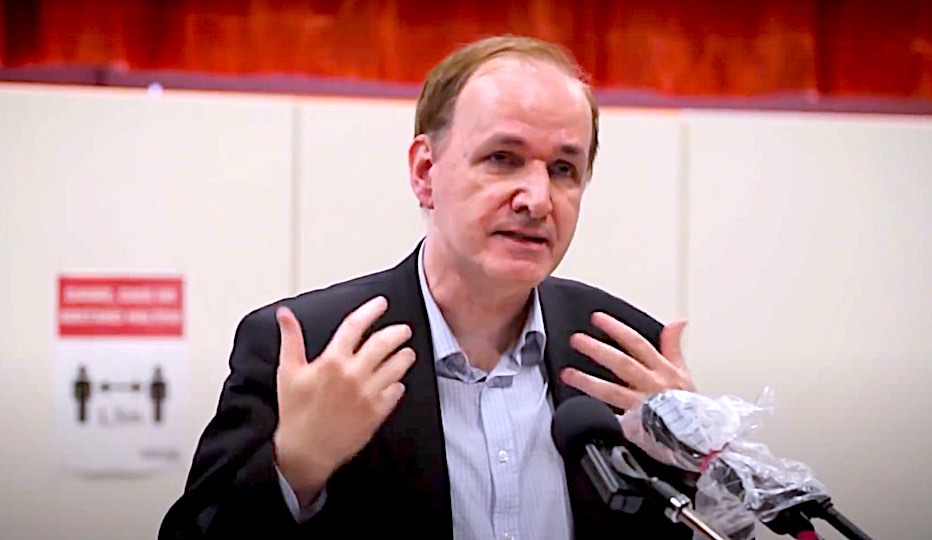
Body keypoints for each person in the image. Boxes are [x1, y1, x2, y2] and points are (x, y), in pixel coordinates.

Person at [159, 35, 697, 539]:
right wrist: (296, 464)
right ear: (424, 171)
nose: (537, 199)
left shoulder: (626, 358)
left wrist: (701, 467)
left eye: (563, 169)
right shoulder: (309, 349)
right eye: (502, 159)